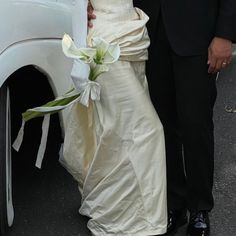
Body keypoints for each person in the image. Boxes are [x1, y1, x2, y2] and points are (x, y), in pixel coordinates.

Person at [128, 1, 236, 236]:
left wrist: (225, 35)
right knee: (161, 127)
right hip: (149, 32)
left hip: (198, 35)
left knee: (196, 126)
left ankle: (200, 208)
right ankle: (173, 205)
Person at [61, 0, 167, 235]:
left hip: (132, 35)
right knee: (149, 129)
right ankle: (141, 221)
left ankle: (114, 207)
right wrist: (79, 57)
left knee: (117, 131)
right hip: (105, 43)